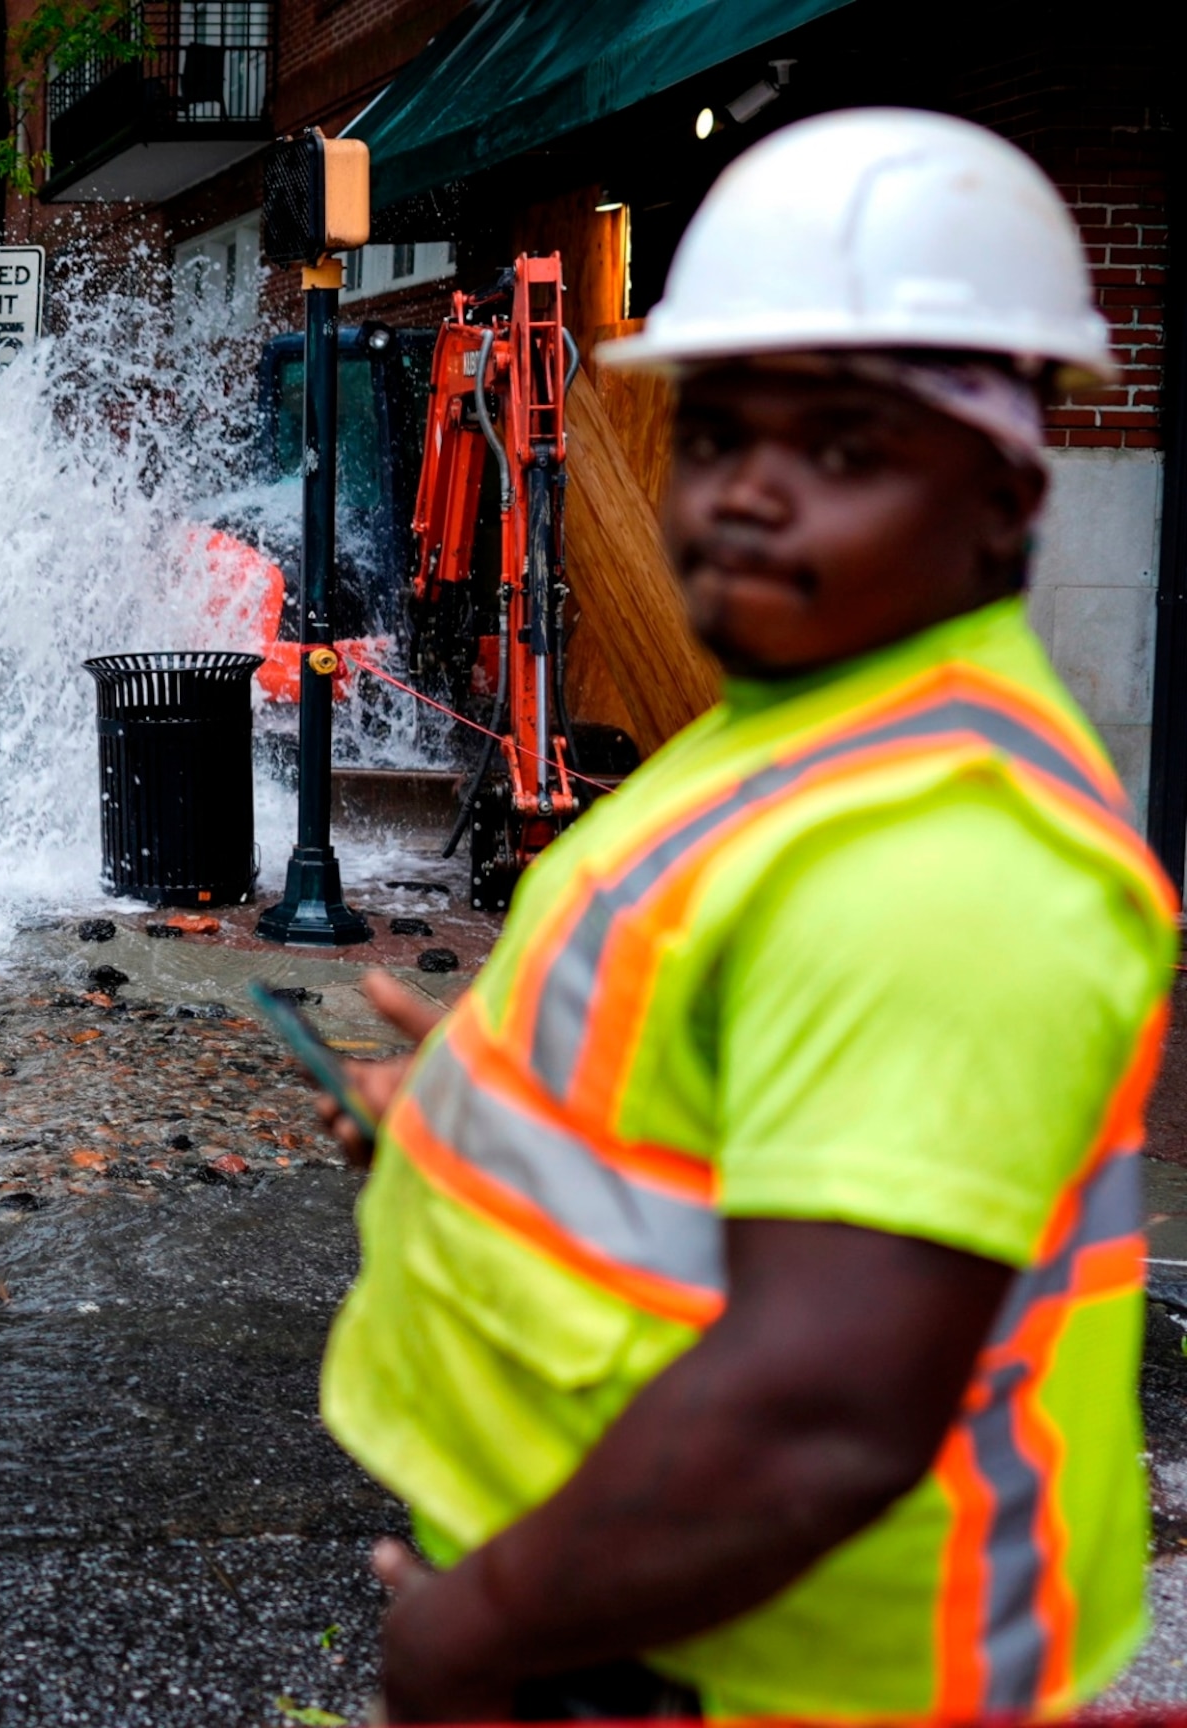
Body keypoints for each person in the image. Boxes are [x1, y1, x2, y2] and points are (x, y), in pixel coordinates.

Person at [309, 111, 1173, 1724]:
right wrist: (485, 1124)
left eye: (840, 447)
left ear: (1001, 492)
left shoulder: (954, 864)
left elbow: (818, 1411)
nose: (749, 495)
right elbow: (710, 1117)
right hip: (653, 1627)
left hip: (791, 1676)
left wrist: (480, 1622)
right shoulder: (807, 725)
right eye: (716, 437)